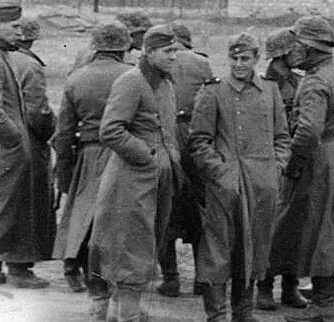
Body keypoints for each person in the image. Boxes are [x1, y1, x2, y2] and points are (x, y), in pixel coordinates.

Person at [190, 32, 290, 322]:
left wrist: (276, 168)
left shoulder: (270, 91)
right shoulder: (213, 91)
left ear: (256, 59)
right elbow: (199, 141)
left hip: (261, 186)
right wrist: (219, 172)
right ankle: (217, 315)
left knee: (254, 248)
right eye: (234, 58)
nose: (238, 64)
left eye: (245, 58)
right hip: (225, 186)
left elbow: (283, 137)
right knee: (217, 250)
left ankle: (243, 312)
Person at [89, 25, 181, 322]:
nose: (174, 56)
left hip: (158, 180)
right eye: (168, 51)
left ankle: (127, 307)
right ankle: (120, 313)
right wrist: (148, 158)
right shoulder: (131, 81)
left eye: (175, 50)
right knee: (129, 247)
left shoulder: (165, 83)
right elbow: (111, 130)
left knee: (147, 243)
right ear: (149, 52)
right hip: (131, 180)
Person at [269, 16, 334, 322]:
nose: (292, 52)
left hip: (314, 159)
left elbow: (307, 131)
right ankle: (321, 297)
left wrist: (293, 166)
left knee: (316, 227)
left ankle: (323, 303)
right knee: (323, 226)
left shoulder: (315, 82)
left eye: (297, 46)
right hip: (333, 154)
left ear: (309, 49)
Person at [52, 21, 133, 318]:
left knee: (88, 227)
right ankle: (121, 299)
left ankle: (97, 297)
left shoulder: (76, 79)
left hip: (87, 157)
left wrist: (65, 175)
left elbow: (63, 134)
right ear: (123, 47)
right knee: (124, 227)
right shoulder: (133, 75)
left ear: (95, 46)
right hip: (126, 158)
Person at [0, 0, 54, 288]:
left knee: (6, 211)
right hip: (0, 150)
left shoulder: (0, 54)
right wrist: (17, 140)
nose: (19, 32)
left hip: (3, 150)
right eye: (14, 26)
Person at [157, 21, 214, 298]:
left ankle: (170, 278)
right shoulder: (201, 63)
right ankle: (203, 279)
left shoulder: (155, 60)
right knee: (201, 208)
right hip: (195, 136)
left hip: (166, 134)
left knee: (164, 207)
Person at [256, 27, 307, 311]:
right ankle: (264, 287)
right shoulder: (263, 84)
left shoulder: (298, 82)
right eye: (295, 50)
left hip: (294, 161)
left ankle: (290, 286)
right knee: (270, 227)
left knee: (294, 226)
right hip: (272, 161)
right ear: (284, 53)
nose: (300, 54)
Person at [70, 10, 152, 73]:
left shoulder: (88, 50)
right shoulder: (125, 59)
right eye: (143, 33)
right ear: (131, 34)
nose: (147, 37)